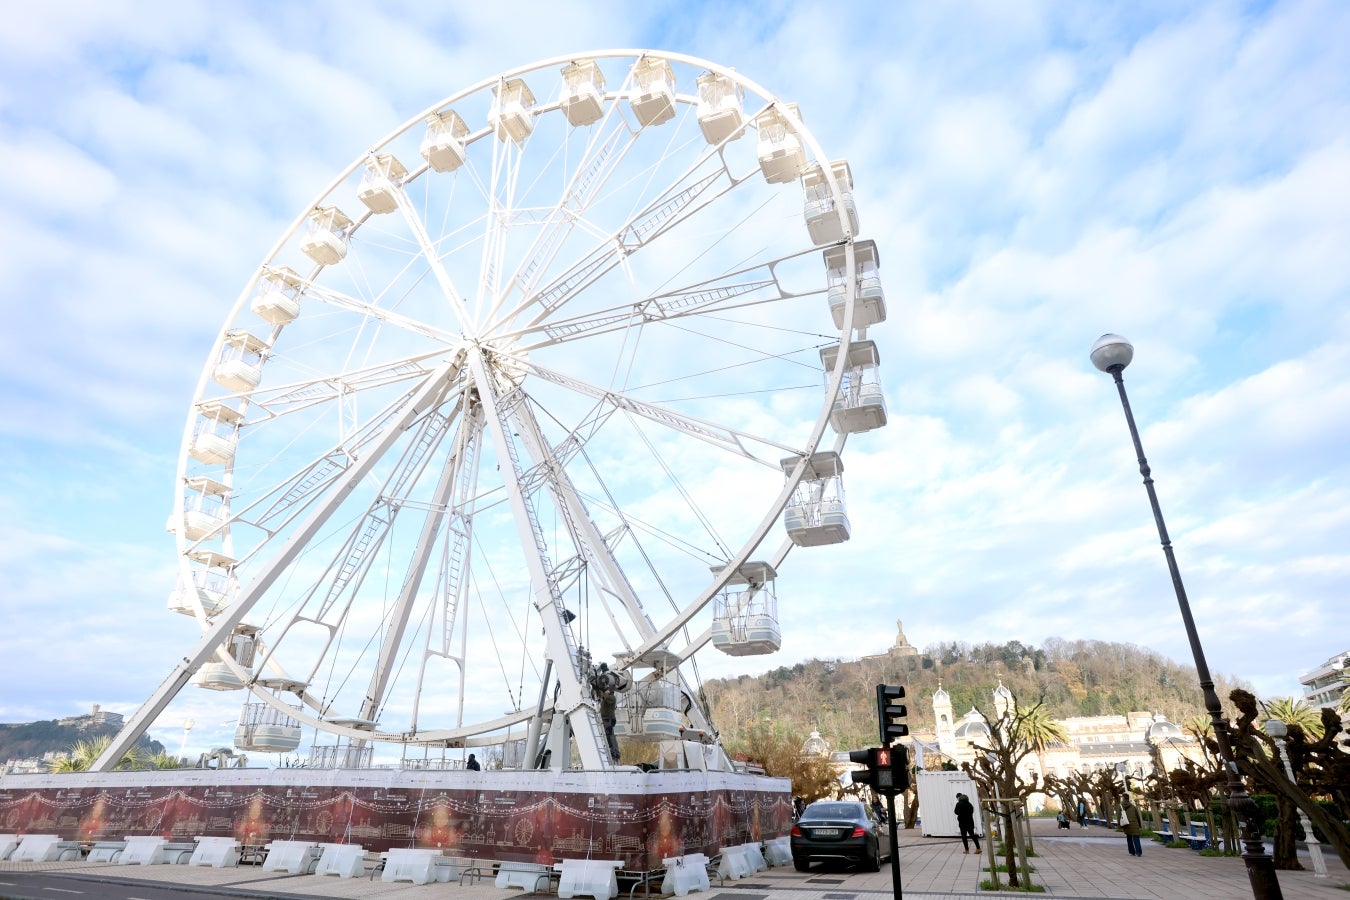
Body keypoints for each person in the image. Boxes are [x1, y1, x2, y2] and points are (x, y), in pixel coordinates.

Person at [600, 688, 621, 761]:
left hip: (609, 720)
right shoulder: (606, 698)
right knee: (609, 736)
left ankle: (615, 753)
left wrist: (606, 693)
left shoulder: (612, 698)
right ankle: (612, 751)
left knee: (610, 736)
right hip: (606, 720)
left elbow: (608, 700)